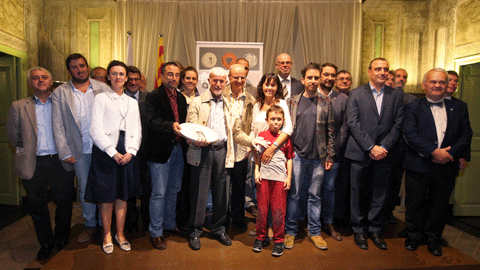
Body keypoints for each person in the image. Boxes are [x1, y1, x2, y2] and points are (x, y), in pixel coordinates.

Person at [7, 67, 76, 261]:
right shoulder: (18, 106)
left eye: (44, 77)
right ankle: (46, 243)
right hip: (33, 163)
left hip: (59, 161)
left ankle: (62, 239)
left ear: (51, 80)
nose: (40, 81)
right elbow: (13, 136)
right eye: (35, 78)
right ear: (30, 83)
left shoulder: (63, 103)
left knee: (64, 203)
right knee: (37, 206)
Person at [403, 68, 472, 256]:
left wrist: (449, 154)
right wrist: (433, 152)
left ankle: (433, 238)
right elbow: (410, 134)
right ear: (424, 85)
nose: (438, 85)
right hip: (419, 163)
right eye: (433, 82)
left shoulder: (459, 107)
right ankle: (414, 236)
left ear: (447, 86)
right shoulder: (413, 107)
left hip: (446, 165)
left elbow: (466, 134)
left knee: (439, 204)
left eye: (442, 82)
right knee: (415, 203)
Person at [346, 58, 404, 251]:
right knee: (358, 193)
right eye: (378, 69)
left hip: (385, 154)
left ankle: (375, 229)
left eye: (385, 69)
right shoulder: (355, 94)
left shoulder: (396, 95)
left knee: (380, 193)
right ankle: (358, 229)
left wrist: (383, 147)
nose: (382, 72)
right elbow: (353, 123)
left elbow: (398, 124)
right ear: (369, 71)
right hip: (361, 152)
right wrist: (370, 147)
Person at [52, 53, 110, 244]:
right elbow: (57, 124)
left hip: (102, 147)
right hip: (79, 149)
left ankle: (105, 226)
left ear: (87, 66)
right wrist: (64, 151)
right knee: (85, 188)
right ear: (69, 70)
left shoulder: (103, 88)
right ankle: (90, 224)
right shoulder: (60, 92)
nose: (79, 70)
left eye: (82, 66)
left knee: (104, 185)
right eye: (75, 67)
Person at [85, 60, 142, 254]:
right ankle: (107, 234)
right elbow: (95, 130)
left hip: (126, 151)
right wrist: (113, 152)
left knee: (122, 197)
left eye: (121, 74)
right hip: (105, 152)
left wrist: (131, 152)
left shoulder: (132, 102)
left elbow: (137, 130)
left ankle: (120, 234)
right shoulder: (101, 98)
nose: (118, 77)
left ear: (127, 78)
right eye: (114, 74)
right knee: (106, 197)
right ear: (108, 77)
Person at [285, 63, 335, 250]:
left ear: (320, 79)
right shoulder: (292, 101)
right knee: (294, 195)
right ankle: (290, 231)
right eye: (310, 78)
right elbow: (287, 130)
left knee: (315, 196)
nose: (313, 81)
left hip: (319, 158)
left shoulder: (326, 102)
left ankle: (314, 232)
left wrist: (329, 155)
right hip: (296, 155)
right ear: (303, 79)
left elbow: (331, 130)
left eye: (316, 77)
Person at [186, 67, 234, 250]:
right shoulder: (197, 101)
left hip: (222, 151)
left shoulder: (228, 103)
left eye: (222, 81)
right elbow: (190, 126)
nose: (218, 84)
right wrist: (196, 140)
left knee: (222, 193)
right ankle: (195, 232)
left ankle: (219, 228)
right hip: (202, 152)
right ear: (209, 80)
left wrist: (251, 141)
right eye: (215, 80)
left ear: (226, 82)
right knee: (199, 193)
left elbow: (235, 130)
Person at [144, 62, 187, 250]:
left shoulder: (182, 98)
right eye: (170, 74)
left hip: (178, 150)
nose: (174, 78)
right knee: (159, 193)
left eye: (177, 75)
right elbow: (152, 121)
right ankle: (156, 232)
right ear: (162, 76)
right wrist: (171, 126)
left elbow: (185, 124)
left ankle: (170, 224)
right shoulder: (153, 97)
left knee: (174, 190)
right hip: (160, 152)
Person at [252, 105, 294, 257]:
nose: (276, 122)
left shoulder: (285, 138)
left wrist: (288, 178)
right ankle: (260, 237)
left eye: (279, 119)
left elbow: (289, 158)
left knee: (278, 212)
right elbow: (257, 156)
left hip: (279, 180)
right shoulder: (262, 135)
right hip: (263, 179)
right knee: (262, 210)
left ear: (283, 121)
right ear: (267, 120)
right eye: (273, 119)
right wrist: (256, 171)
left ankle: (278, 240)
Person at [316, 63, 348, 241]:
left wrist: (333, 151)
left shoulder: (342, 98)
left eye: (332, 75)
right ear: (320, 76)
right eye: (326, 74)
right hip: (312, 154)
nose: (329, 78)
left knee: (329, 188)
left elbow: (345, 126)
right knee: (309, 189)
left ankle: (328, 222)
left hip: (333, 154)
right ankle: (306, 221)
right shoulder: (311, 96)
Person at [223, 64, 257, 231]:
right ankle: (221, 218)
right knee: (222, 185)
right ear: (229, 77)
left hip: (242, 149)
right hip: (223, 148)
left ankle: (237, 218)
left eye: (242, 77)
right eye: (235, 77)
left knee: (239, 186)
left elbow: (253, 125)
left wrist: (250, 144)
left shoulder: (251, 100)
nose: (239, 80)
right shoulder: (221, 95)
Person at [124, 65, 150, 233]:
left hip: (146, 151)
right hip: (126, 151)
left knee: (148, 187)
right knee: (129, 189)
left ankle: (147, 222)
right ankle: (131, 223)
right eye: (130, 79)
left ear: (141, 81)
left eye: (136, 79)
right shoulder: (118, 98)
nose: (133, 82)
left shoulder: (149, 98)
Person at [176, 66, 200, 231]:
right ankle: (180, 219)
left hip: (196, 146)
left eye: (194, 78)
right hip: (180, 144)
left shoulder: (200, 98)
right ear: (182, 80)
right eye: (188, 78)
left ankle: (192, 219)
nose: (191, 81)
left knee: (194, 184)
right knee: (180, 184)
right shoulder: (176, 97)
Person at [446, 70, 470, 171]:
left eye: (456, 81)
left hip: (452, 159)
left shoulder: (461, 105)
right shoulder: (425, 103)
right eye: (450, 80)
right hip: (426, 159)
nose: (453, 83)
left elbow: (466, 132)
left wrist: (463, 156)